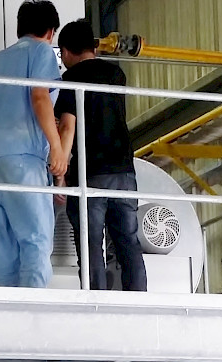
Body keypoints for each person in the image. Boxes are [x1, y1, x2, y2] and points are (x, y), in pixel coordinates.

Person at [54, 19, 147, 291]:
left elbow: (68, 126)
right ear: (93, 47)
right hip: (123, 170)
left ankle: (96, 300)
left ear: (66, 51)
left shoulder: (71, 79)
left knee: (91, 243)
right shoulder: (116, 74)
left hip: (90, 171)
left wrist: (60, 174)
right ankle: (139, 297)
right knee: (128, 240)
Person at [0, 0, 66, 288]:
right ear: (50, 31)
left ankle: (7, 310)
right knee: (36, 241)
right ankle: (34, 309)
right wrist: (56, 147)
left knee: (4, 248)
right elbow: (39, 96)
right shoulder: (41, 51)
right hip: (24, 159)